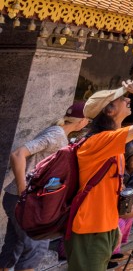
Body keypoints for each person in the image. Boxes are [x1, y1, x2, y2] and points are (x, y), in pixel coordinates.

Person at [68, 80, 133, 271]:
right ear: (109, 111)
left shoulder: (110, 142)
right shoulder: (99, 141)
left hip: (104, 224)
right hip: (91, 226)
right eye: (121, 98)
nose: (126, 99)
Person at [1, 102, 88, 271]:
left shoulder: (59, 133)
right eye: (88, 120)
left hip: (15, 199)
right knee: (36, 246)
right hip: (25, 199)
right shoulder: (56, 134)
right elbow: (18, 154)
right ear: (82, 120)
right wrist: (23, 190)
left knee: (15, 245)